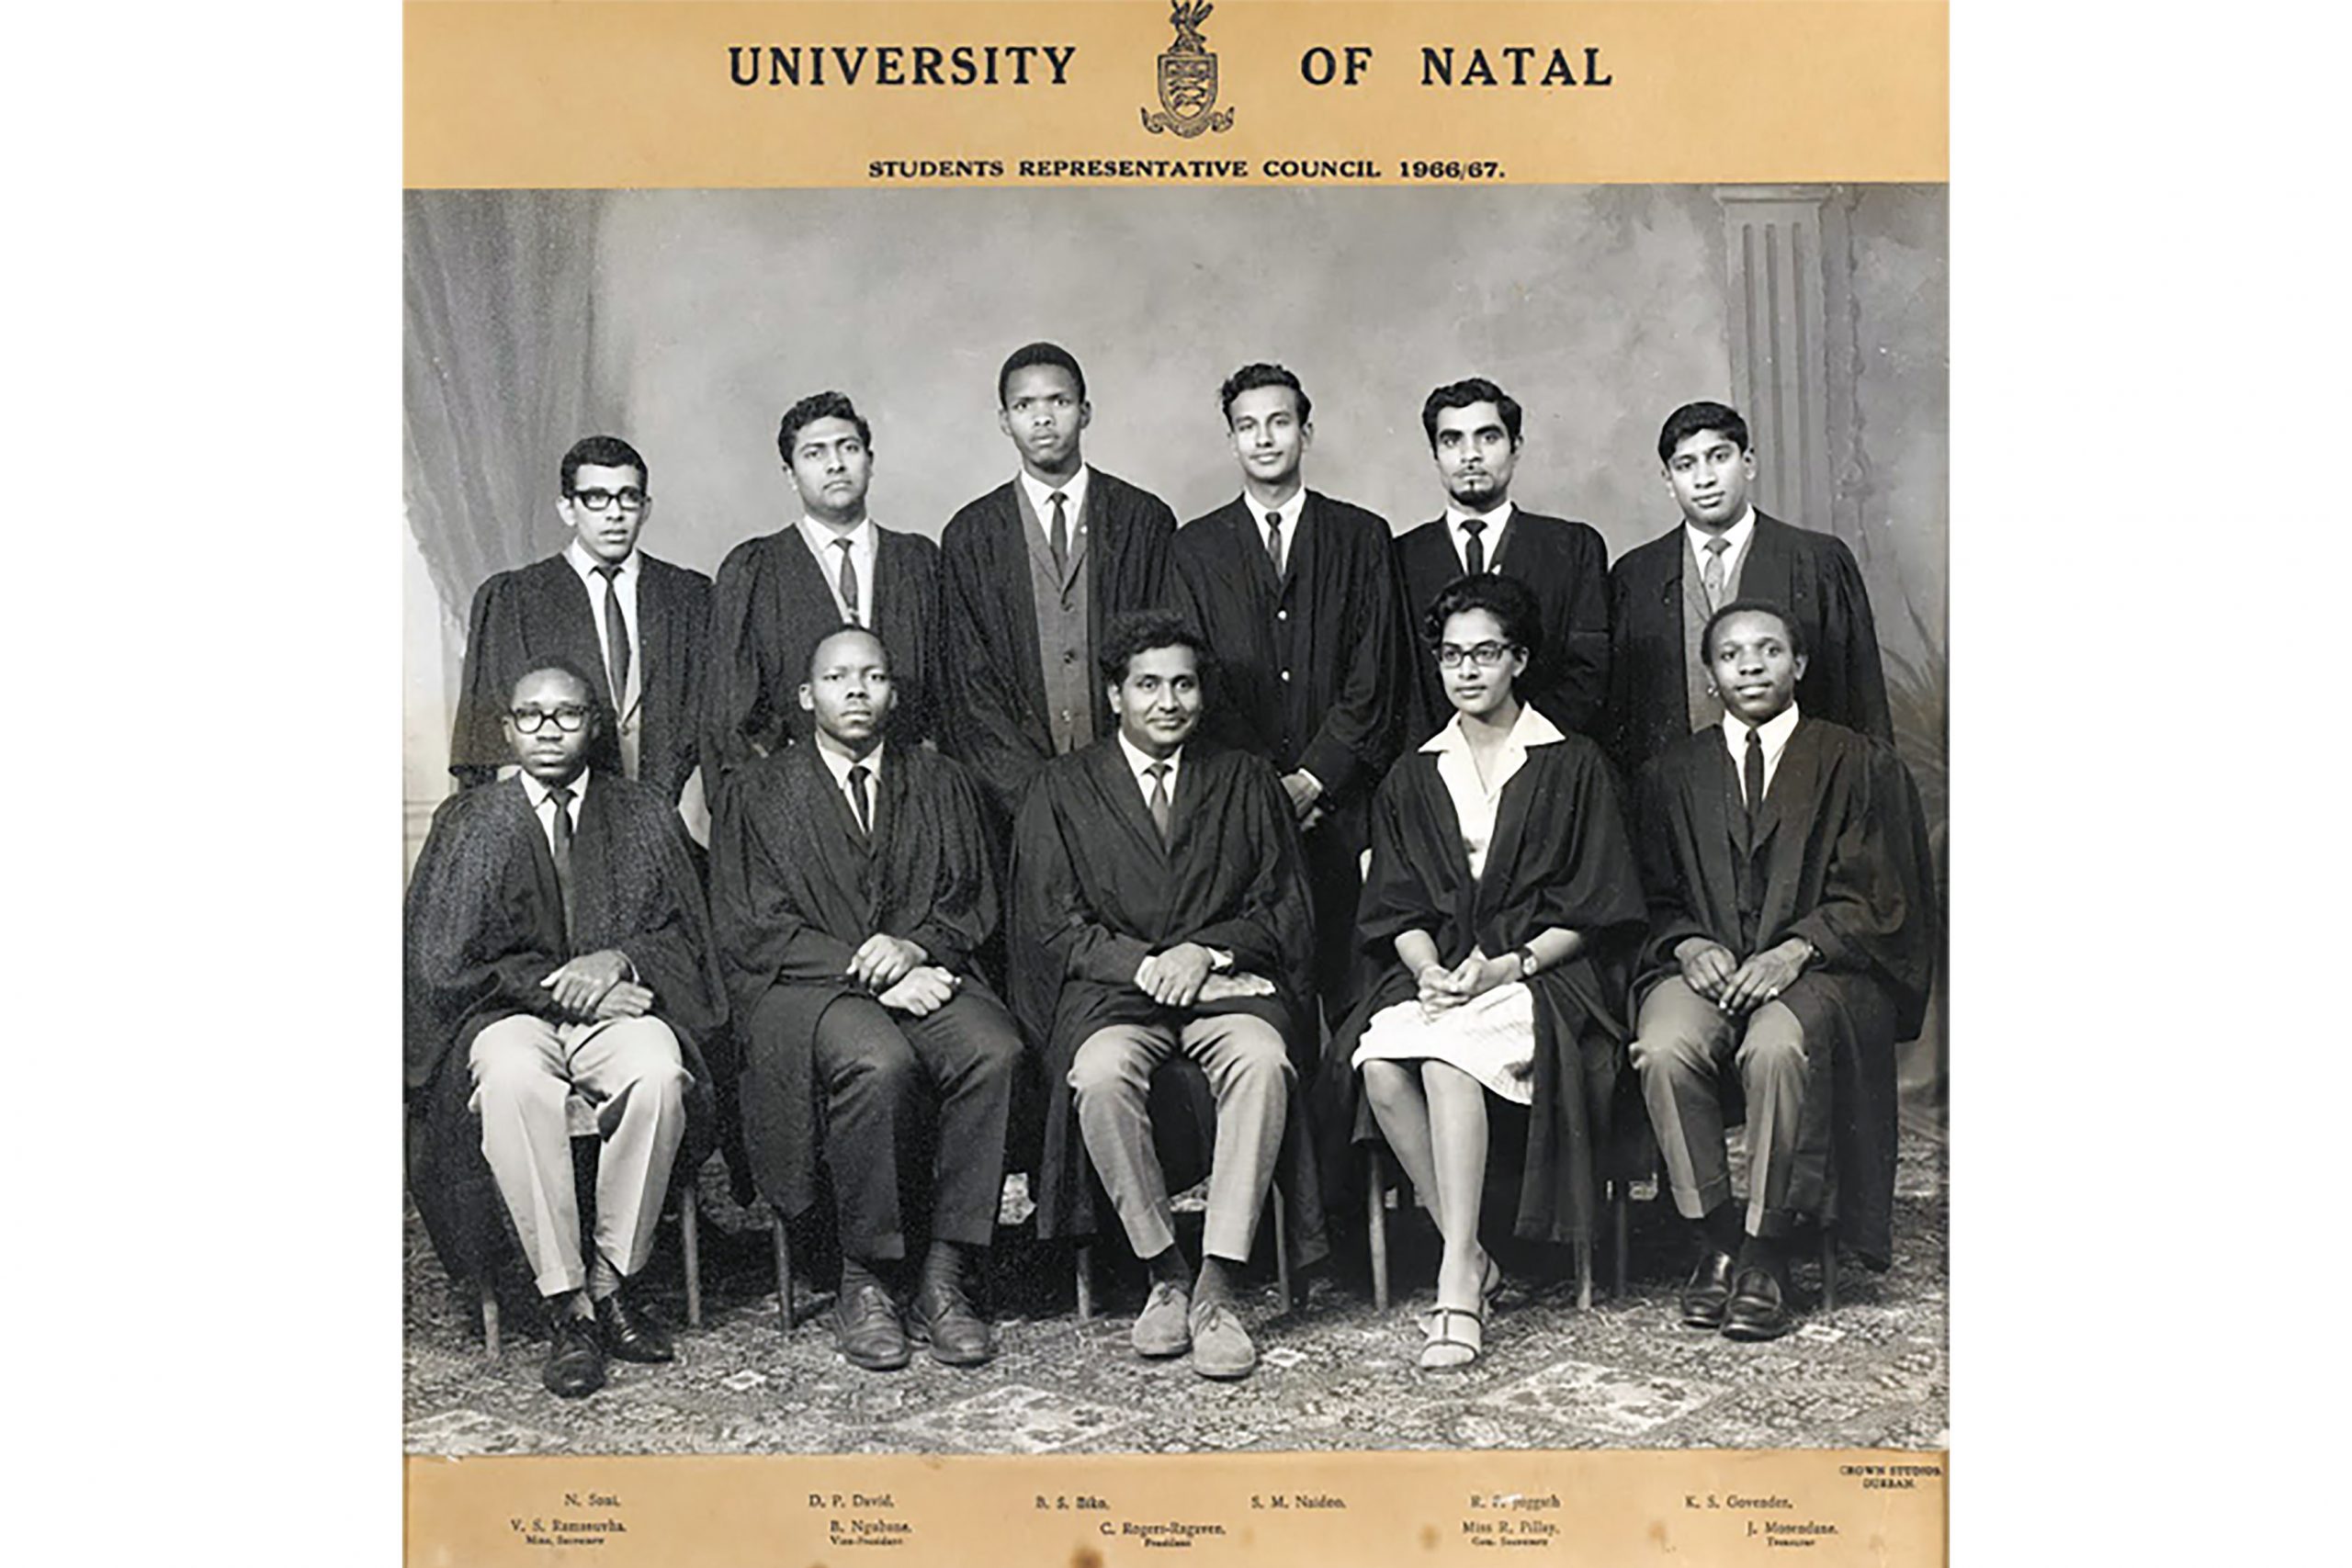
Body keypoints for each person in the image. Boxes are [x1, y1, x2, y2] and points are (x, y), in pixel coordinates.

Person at [1317, 575, 1645, 1369]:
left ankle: (1456, 1282)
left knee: (1445, 1056)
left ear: (1519, 660)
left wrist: (1509, 964)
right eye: (1452, 654)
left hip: (1545, 976)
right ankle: (1472, 1249)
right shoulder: (1413, 774)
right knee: (1380, 1064)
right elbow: (1393, 906)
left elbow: (1597, 902)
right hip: (1447, 973)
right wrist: (1428, 969)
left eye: (1486, 653)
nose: (1467, 670)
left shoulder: (1571, 764)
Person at [1010, 611, 1324, 1381]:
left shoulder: (1246, 778)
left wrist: (1205, 951)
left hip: (1227, 988)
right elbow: (1050, 924)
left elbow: (1284, 907)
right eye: (1147, 684)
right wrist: (1145, 965)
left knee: (1261, 1059)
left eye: (1182, 683)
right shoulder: (1062, 788)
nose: (1167, 701)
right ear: (1115, 693)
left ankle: (1218, 1283)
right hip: (1118, 996)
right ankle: (1163, 1269)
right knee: (1100, 1075)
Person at [406, 661, 727, 1398]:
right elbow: (437, 960)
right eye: (531, 715)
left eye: (567, 714)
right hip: (504, 1016)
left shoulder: (642, 812)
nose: (548, 729)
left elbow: (687, 937)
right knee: (517, 1081)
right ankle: (568, 1301)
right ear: (508, 727)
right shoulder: (471, 821)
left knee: (659, 1070)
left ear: (596, 723)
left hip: (616, 1014)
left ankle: (614, 1277)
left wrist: (619, 958)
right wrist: (555, 986)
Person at [710, 626, 1023, 1372]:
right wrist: (871, 968)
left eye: (874, 676)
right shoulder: (757, 792)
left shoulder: (940, 781)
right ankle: (868, 1275)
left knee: (995, 1050)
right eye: (838, 677)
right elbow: (752, 925)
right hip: (805, 989)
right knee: (878, 1062)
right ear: (804, 696)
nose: (856, 690)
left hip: (926, 969)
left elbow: (969, 901)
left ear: (893, 691)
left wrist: (914, 947)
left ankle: (945, 1272)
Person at [1628, 600, 1936, 1342]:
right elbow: (1650, 893)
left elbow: (1882, 895)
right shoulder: (1673, 772)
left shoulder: (1855, 761)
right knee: (1664, 1047)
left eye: (1770, 650)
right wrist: (1686, 943)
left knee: (1773, 1047)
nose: (1752, 666)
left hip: (1821, 970)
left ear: (1798, 664)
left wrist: (1795, 948)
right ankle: (1715, 1239)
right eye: (1732, 655)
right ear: (1711, 674)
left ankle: (1766, 1252)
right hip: (1706, 967)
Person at [1172, 362, 1402, 1021]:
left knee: (1358, 988)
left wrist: (1315, 777)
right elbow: (1198, 680)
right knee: (1267, 988)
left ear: (1306, 430)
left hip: (1346, 802)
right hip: (1241, 808)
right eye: (1247, 426)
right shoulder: (1193, 549)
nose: (1264, 438)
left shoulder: (1361, 536)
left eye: (1279, 422)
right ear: (1231, 439)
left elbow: (1375, 669)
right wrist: (1269, 783)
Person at [941, 343, 1177, 829]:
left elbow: (1165, 663)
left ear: (1085, 412)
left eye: (1059, 402)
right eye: (1025, 406)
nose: (1042, 419)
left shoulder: (1143, 520)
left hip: (1130, 791)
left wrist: (1123, 775)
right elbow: (970, 688)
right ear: (1004, 420)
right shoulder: (970, 535)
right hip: (1017, 806)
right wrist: (1037, 794)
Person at [1605, 400, 1893, 778]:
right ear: (1668, 481)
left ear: (1749, 463)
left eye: (1719, 457)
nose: (1704, 479)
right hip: (1675, 808)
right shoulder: (1635, 576)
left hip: (1800, 794)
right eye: (1685, 465)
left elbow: (1861, 702)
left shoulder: (1816, 562)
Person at [450, 435, 713, 825]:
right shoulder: (514, 599)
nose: (614, 514)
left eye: (628, 498)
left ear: (646, 508)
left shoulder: (690, 596)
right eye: (596, 498)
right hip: (561, 824)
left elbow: (712, 720)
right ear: (567, 508)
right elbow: (490, 743)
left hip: (668, 820)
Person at [705, 391, 944, 786]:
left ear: (870, 461)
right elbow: (732, 719)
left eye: (848, 448)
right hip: (794, 800)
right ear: (790, 475)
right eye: (814, 454)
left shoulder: (918, 562)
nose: (835, 465)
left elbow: (947, 701)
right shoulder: (754, 570)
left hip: (911, 791)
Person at [1391, 378, 1611, 745]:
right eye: (1452, 441)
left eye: (1488, 437)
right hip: (1432, 773)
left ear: (1515, 447)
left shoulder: (1572, 548)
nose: (1470, 455)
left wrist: (1514, 750)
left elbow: (1588, 674)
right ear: (1435, 454)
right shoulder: (1398, 558)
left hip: (1546, 763)